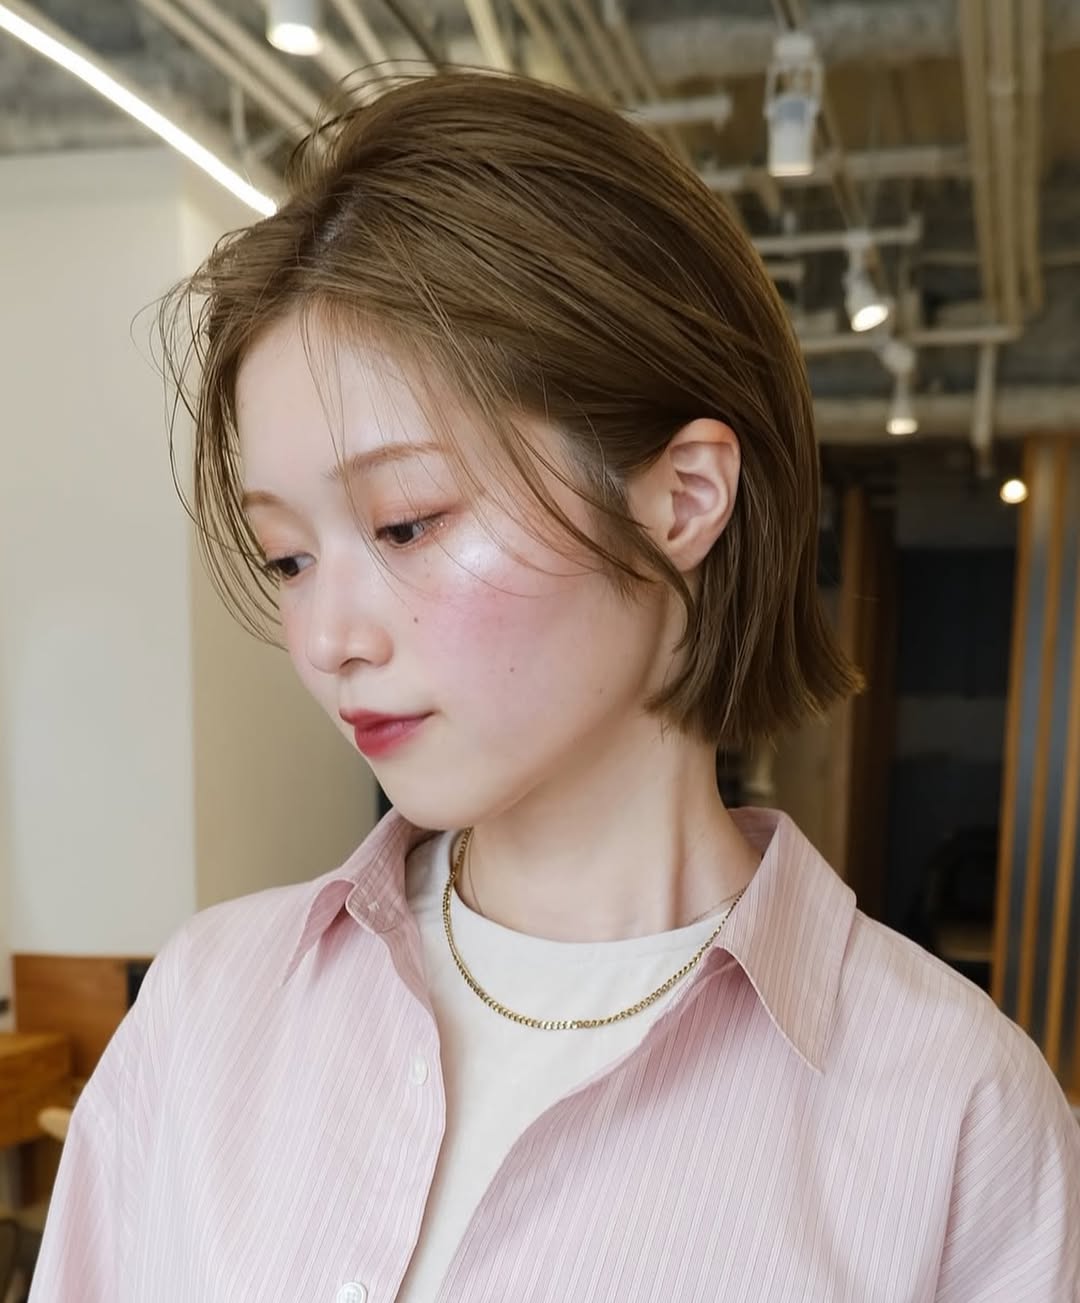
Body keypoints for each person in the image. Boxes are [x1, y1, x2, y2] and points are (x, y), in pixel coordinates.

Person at [30, 70, 1079, 1302]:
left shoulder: (956, 1116)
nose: (328, 638)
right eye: (288, 558)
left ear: (683, 498)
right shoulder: (207, 1010)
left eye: (407, 522)